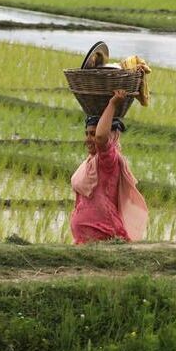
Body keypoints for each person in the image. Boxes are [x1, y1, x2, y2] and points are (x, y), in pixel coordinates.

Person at [70, 90, 149, 244]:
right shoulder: (90, 163)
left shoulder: (108, 160)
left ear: (112, 136)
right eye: (87, 133)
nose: (88, 139)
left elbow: (101, 138)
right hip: (84, 239)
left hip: (103, 235)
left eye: (92, 133)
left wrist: (112, 104)